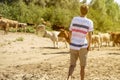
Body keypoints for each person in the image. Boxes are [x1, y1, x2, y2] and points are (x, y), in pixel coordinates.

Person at [67, 4, 93, 80]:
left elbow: (70, 32)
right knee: (82, 67)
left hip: (73, 45)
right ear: (87, 12)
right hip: (83, 46)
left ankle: (68, 78)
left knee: (72, 65)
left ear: (80, 10)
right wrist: (89, 45)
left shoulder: (74, 19)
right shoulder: (89, 22)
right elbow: (90, 36)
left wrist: (70, 41)